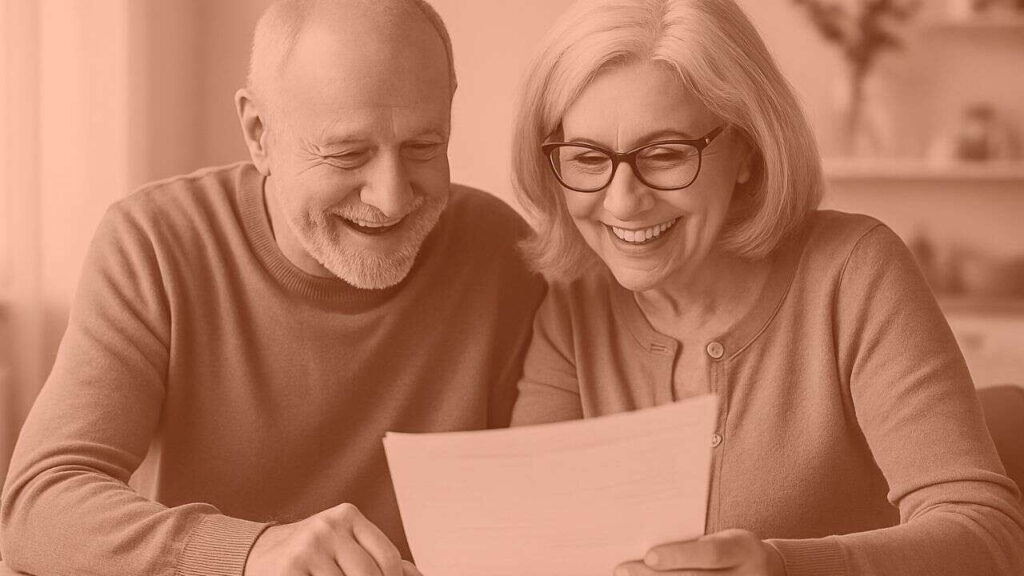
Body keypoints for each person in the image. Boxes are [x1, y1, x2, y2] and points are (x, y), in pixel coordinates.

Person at [0, 1, 544, 575]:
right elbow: (38, 505)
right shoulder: (156, 243)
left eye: (423, 147)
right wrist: (252, 552)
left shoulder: (503, 253)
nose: (391, 196)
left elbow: (545, 502)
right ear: (259, 133)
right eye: (346, 153)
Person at [509, 1, 1024, 575]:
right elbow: (533, 537)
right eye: (586, 157)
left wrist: (786, 568)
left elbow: (985, 535)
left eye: (667, 154)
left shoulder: (853, 271)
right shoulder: (572, 303)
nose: (624, 200)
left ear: (748, 151)